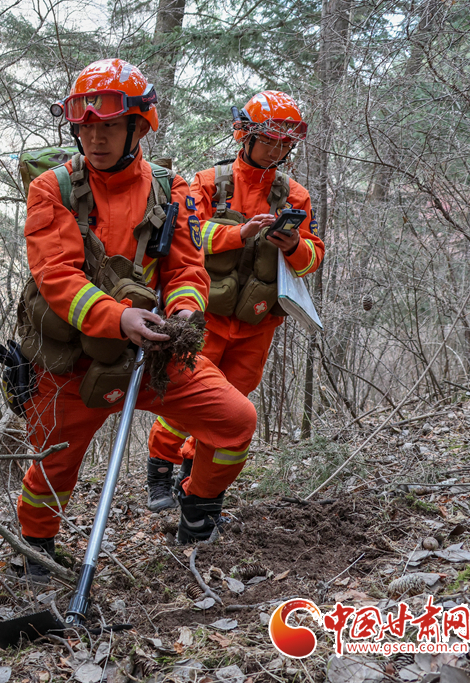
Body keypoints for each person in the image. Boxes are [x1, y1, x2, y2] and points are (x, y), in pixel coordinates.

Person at [14, 59, 258, 581]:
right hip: (73, 360)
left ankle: (198, 509)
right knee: (53, 464)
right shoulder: (53, 189)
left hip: (154, 350)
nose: (95, 139)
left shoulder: (174, 190)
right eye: (86, 128)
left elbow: (188, 268)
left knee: (235, 421)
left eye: (108, 126)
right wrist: (118, 318)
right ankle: (35, 551)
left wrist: (186, 312)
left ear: (138, 127)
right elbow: (56, 275)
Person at [145, 90, 325, 512]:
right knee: (185, 397)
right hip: (206, 316)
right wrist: (238, 234)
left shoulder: (296, 196)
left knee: (231, 405)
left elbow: (312, 257)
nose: (277, 150)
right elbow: (187, 238)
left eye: (285, 142)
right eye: (270, 140)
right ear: (245, 134)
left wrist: (293, 244)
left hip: (257, 323)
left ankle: (195, 482)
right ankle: (160, 469)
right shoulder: (208, 183)